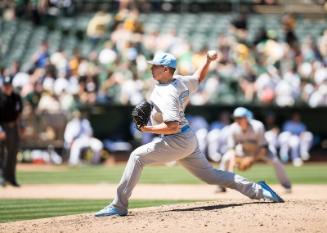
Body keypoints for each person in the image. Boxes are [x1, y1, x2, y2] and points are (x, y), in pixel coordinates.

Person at [95, 51, 285, 217]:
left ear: (167, 69)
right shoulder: (180, 82)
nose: (152, 68)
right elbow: (199, 77)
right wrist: (208, 61)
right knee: (212, 176)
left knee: (137, 157)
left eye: (156, 66)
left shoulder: (167, 92)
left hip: (176, 139)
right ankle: (259, 190)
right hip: (187, 139)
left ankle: (119, 206)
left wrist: (147, 129)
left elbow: (173, 126)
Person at [218, 107, 292, 193]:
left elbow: (263, 148)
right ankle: (221, 186)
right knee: (226, 158)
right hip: (244, 150)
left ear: (246, 118)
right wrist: (231, 168)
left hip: (260, 150)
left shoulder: (258, 126)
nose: (237, 120)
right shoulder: (233, 128)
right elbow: (232, 149)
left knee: (276, 162)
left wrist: (251, 160)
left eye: (239, 118)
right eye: (235, 118)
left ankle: (286, 185)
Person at [0, 76, 23, 187]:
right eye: (6, 85)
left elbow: (19, 113)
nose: (7, 87)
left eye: (9, 85)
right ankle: (2, 177)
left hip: (13, 127)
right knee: (2, 153)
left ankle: (11, 177)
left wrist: (19, 128)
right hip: (2, 126)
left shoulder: (16, 97)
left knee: (13, 153)